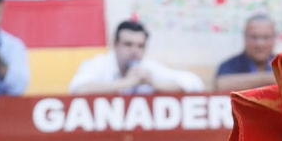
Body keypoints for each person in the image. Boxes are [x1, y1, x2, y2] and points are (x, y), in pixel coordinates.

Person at [67, 19, 203, 94]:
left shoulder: (146, 66)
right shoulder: (99, 64)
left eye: (140, 46)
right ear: (115, 45)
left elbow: (194, 83)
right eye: (128, 44)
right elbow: (78, 89)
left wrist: (153, 83)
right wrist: (127, 82)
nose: (134, 51)